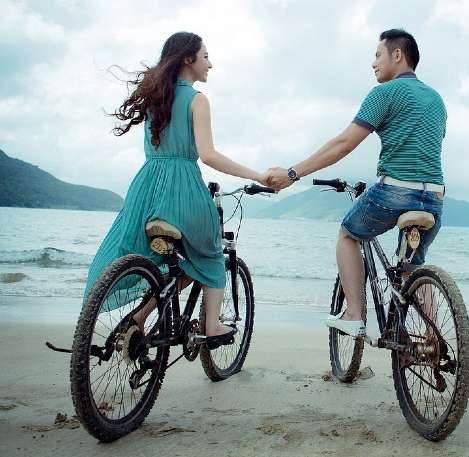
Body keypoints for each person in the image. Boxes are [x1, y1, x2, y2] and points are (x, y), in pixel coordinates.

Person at [83, 32, 267, 347]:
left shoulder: (156, 98)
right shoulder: (197, 100)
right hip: (182, 188)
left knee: (171, 262)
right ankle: (212, 325)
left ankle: (138, 318)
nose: (211, 63)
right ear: (188, 59)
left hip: (147, 189)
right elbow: (208, 155)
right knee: (209, 252)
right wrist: (259, 175)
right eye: (206, 56)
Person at [266, 29, 446, 337]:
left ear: (397, 55)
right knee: (413, 268)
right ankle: (433, 337)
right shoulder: (436, 100)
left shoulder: (384, 93)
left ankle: (353, 315)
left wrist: (293, 173)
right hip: (434, 198)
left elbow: (343, 144)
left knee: (348, 235)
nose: (373, 63)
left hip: (395, 192)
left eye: (378, 55)